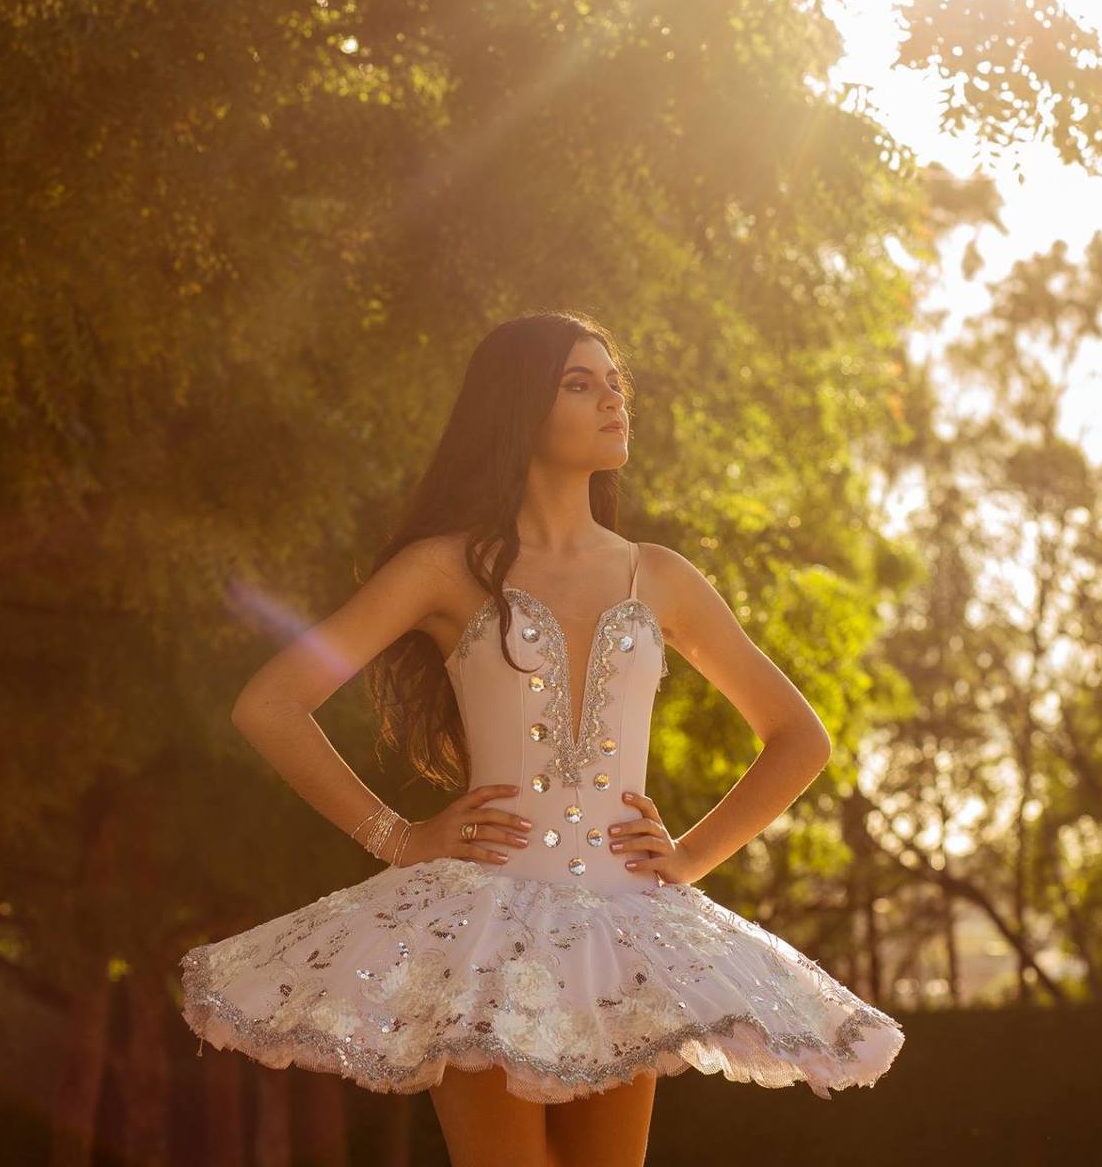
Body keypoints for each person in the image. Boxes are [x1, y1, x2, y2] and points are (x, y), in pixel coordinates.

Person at [180, 311, 904, 1165]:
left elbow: (797, 738)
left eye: (615, 383)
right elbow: (271, 704)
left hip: (623, 935)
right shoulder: (444, 568)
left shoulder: (660, 576)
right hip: (480, 935)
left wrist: (689, 860)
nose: (612, 401)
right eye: (580, 383)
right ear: (520, 409)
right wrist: (398, 837)